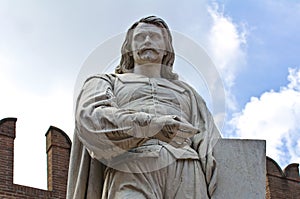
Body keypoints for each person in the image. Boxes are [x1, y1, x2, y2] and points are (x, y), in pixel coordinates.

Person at [67, 16, 220, 199]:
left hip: (187, 169)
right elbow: (90, 118)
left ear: (166, 49)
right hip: (131, 165)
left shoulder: (188, 93)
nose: (147, 40)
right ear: (129, 49)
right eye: (140, 37)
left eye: (155, 37)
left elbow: (212, 146)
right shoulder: (107, 82)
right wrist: (151, 126)